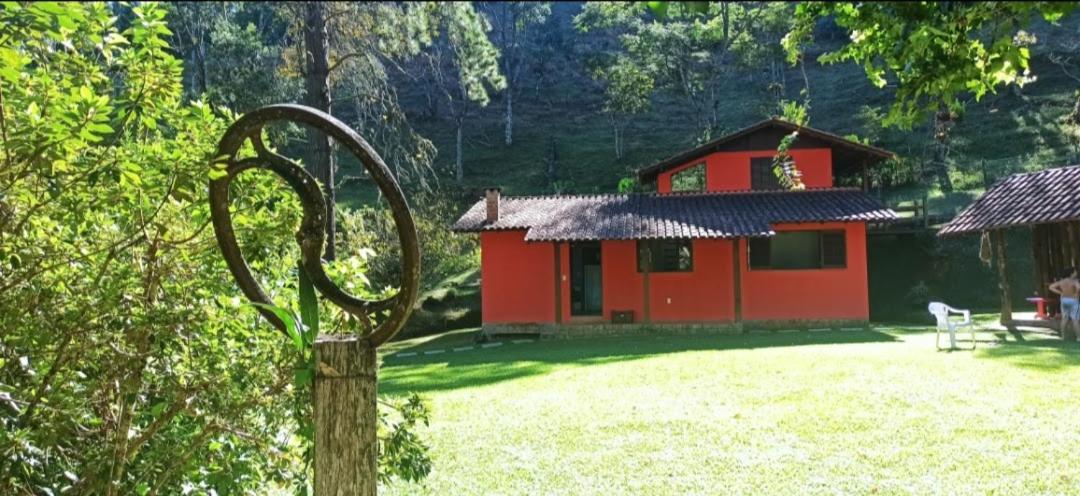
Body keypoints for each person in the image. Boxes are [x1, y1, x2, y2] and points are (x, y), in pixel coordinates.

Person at [1049, 266, 1080, 341]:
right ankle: (1079, 338)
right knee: (1075, 319)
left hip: (1064, 300)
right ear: (1071, 273)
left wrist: (1060, 292)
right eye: (1075, 271)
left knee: (1064, 319)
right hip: (1073, 300)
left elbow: (1051, 287)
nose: (1076, 273)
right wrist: (1076, 294)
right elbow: (1079, 287)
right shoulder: (1074, 281)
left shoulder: (1061, 281)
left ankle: (1063, 337)